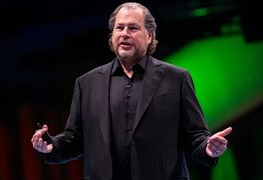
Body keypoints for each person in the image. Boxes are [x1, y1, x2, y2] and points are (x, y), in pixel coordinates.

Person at [31, 2, 232, 180]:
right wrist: (51, 146)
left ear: (150, 35)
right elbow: (75, 139)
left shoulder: (176, 78)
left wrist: (207, 147)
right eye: (119, 28)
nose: (124, 33)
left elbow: (194, 134)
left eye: (133, 28)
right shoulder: (87, 83)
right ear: (112, 35)